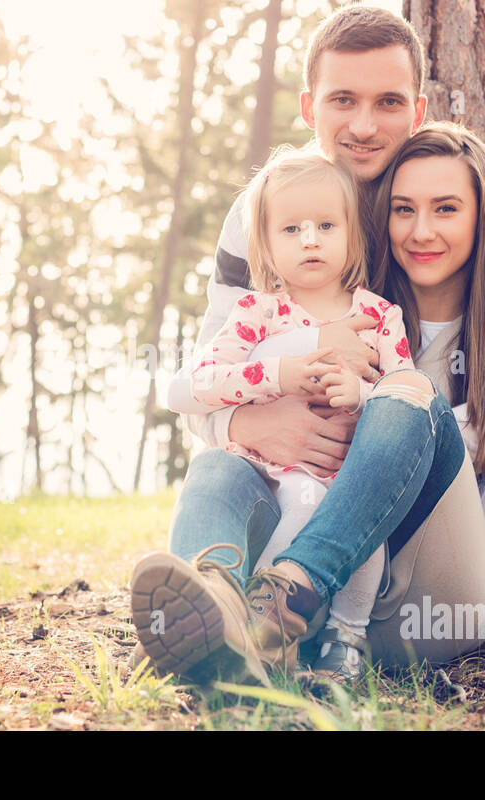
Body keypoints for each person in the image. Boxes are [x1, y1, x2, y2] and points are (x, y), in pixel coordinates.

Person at [128, 5, 485, 686]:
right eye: (343, 100)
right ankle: (215, 624)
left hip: (439, 483)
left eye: (388, 102)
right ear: (310, 106)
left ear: (418, 109)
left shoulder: (459, 195)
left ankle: (289, 608)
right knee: (216, 474)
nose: (364, 125)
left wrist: (402, 422)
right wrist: (246, 419)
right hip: (297, 476)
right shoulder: (272, 207)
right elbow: (205, 377)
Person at [185, 145, 423, 684]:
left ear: (352, 235)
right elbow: (201, 382)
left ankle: (346, 640)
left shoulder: (378, 316)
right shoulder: (256, 313)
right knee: (280, 526)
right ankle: (255, 639)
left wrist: (362, 394)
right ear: (264, 245)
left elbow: (406, 396)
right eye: (290, 229)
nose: (310, 238)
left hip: (352, 481)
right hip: (270, 478)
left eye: (324, 225)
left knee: (366, 544)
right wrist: (279, 374)